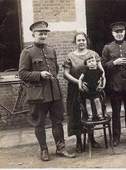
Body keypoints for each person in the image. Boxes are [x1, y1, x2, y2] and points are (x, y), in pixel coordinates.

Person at [18, 21, 75, 161]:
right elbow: (22, 74)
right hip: (38, 95)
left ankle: (60, 148)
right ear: (33, 34)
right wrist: (39, 75)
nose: (43, 36)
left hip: (54, 93)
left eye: (45, 34)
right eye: (40, 34)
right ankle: (44, 150)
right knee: (39, 123)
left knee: (58, 121)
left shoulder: (51, 50)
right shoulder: (27, 52)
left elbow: (55, 68)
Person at [62, 32, 105, 153]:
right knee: (76, 115)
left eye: (83, 40)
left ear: (87, 41)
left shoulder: (93, 54)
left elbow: (101, 70)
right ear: (75, 42)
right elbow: (66, 74)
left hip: (92, 90)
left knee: (91, 113)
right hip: (76, 90)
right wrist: (79, 83)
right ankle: (79, 141)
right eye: (78, 40)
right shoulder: (70, 56)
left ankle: (91, 139)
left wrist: (101, 82)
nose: (81, 42)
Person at [101, 22, 126, 147]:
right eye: (116, 32)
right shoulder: (107, 48)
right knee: (116, 112)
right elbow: (102, 65)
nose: (119, 34)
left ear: (124, 32)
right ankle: (116, 137)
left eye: (121, 32)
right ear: (113, 33)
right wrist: (114, 62)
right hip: (114, 84)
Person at [78, 55, 106, 121]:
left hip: (95, 90)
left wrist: (103, 85)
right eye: (89, 62)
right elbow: (80, 79)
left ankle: (100, 115)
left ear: (96, 62)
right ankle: (90, 116)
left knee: (97, 101)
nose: (91, 63)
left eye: (93, 61)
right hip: (87, 91)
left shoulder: (99, 70)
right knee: (88, 103)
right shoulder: (86, 71)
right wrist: (80, 87)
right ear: (87, 64)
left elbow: (103, 78)